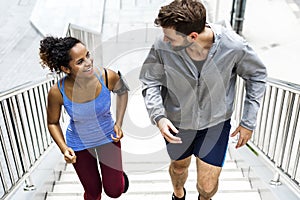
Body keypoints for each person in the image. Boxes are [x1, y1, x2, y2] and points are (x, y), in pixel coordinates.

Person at [139, 0, 267, 200]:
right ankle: (178, 195)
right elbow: (150, 80)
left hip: (215, 123)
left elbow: (257, 76)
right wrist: (159, 116)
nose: (163, 40)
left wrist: (248, 121)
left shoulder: (234, 46)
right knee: (179, 168)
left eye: (169, 37)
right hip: (177, 122)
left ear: (192, 36)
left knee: (207, 187)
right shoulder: (162, 45)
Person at [39, 36, 129, 200]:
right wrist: (64, 148)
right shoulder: (57, 92)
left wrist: (119, 123)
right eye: (80, 61)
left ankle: (119, 178)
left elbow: (122, 91)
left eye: (87, 55)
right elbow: (52, 122)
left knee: (115, 191)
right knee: (93, 193)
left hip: (108, 137)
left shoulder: (108, 77)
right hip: (79, 144)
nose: (88, 62)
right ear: (66, 69)